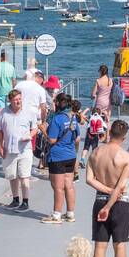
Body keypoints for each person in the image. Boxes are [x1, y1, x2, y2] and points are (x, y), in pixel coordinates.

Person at [86, 119, 129, 257]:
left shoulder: (96, 153)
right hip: (119, 204)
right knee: (120, 246)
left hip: (99, 201)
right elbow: (121, 187)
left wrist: (105, 192)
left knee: (100, 246)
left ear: (109, 133)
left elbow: (89, 179)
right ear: (125, 136)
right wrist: (110, 201)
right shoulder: (127, 158)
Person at [40, 92, 79, 223]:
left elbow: (51, 140)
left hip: (57, 156)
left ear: (59, 104)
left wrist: (42, 130)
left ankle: (56, 215)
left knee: (58, 187)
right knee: (69, 185)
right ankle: (70, 213)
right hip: (71, 155)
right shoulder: (72, 118)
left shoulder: (57, 119)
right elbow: (77, 137)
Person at [0, 88, 34, 211]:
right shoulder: (4, 113)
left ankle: (25, 202)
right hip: (9, 149)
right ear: (10, 101)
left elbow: (35, 128)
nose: (18, 102)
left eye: (19, 99)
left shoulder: (29, 112)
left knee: (24, 176)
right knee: (12, 175)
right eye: (15, 100)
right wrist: (0, 146)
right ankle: (15, 199)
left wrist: (30, 136)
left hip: (24, 149)